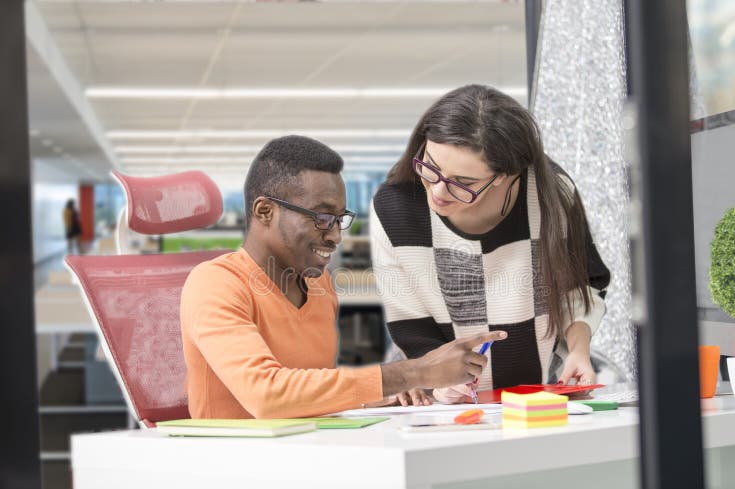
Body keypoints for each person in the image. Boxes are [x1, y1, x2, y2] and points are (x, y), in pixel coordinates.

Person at [180, 135, 506, 419]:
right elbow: (267, 395)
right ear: (265, 211)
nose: (336, 236)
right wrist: (412, 372)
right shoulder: (215, 283)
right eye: (322, 218)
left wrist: (379, 396)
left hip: (306, 447)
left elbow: (307, 388)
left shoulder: (318, 285)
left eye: (340, 219)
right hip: (230, 461)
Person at [370, 84, 611, 404]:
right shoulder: (394, 208)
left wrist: (578, 351)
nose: (438, 192)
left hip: (535, 400)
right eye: (431, 167)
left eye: (463, 183)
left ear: (505, 174)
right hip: (441, 408)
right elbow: (410, 324)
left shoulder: (552, 194)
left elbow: (578, 287)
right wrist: (439, 381)